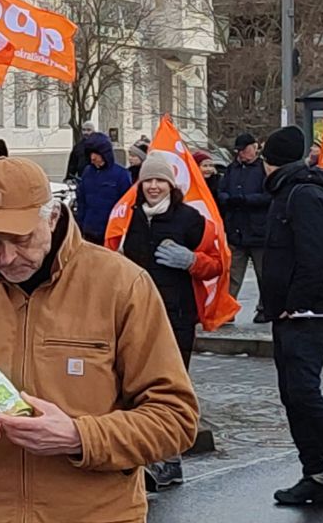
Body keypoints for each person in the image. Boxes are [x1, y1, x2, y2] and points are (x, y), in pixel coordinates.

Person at [0, 156, 197, 520]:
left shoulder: (121, 285)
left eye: (21, 239)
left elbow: (175, 418)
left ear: (53, 216)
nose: (7, 257)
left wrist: (80, 436)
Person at [259, 126, 323, 508]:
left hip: (309, 309)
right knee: (292, 394)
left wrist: (297, 302)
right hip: (289, 310)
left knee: (303, 390)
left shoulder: (303, 194)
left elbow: (313, 256)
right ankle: (314, 472)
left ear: (270, 163)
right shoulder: (289, 190)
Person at [121, 151, 223, 491]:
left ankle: (170, 461)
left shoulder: (190, 220)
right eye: (147, 180)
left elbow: (217, 262)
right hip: (134, 316)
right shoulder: (126, 219)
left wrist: (192, 260)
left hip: (177, 315)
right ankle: (143, 454)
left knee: (169, 390)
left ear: (170, 184)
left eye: (159, 180)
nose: (153, 186)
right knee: (134, 387)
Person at [217, 132, 270, 319]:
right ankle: (227, 310)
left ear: (254, 148)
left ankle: (265, 308)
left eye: (244, 150)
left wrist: (245, 200)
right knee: (232, 275)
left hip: (258, 230)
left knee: (264, 274)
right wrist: (226, 199)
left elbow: (269, 196)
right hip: (236, 230)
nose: (241, 154)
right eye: (239, 151)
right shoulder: (232, 169)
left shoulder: (264, 168)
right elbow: (221, 190)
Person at [74, 132, 132, 245]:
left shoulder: (121, 175)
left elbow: (127, 207)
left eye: (96, 153)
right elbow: (81, 202)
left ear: (105, 154)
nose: (93, 158)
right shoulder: (87, 172)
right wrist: (79, 227)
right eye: (90, 154)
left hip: (111, 234)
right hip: (88, 232)